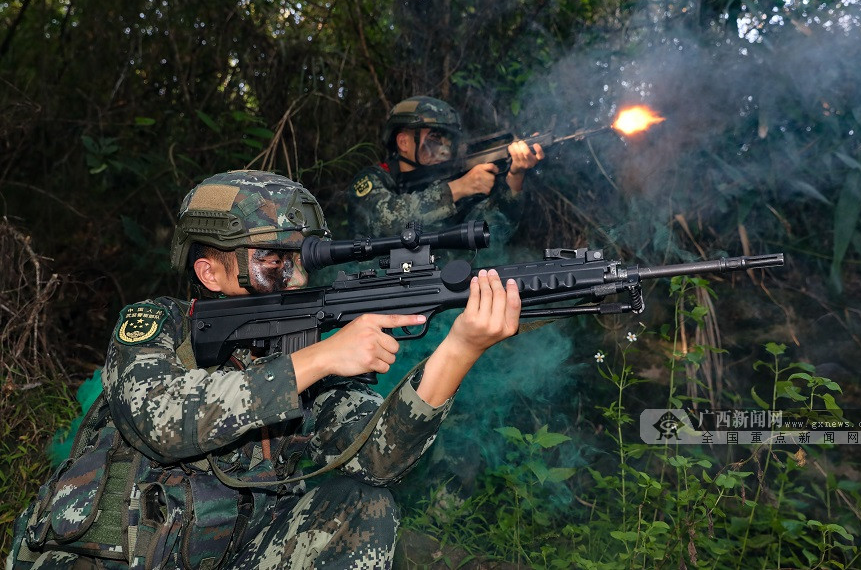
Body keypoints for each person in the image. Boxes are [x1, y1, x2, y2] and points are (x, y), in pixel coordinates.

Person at [8, 170, 521, 569]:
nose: (295, 277)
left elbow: (377, 459)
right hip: (103, 560)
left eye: (302, 261)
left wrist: (459, 349)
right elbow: (161, 421)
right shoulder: (158, 324)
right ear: (209, 272)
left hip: (223, 555)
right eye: (272, 262)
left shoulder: (303, 343)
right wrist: (318, 359)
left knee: (361, 505)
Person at [347, 96, 544, 243]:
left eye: (448, 140)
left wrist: (515, 177)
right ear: (404, 142)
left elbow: (494, 234)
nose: (444, 148)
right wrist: (457, 188)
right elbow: (384, 223)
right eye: (435, 137)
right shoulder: (373, 180)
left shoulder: (451, 188)